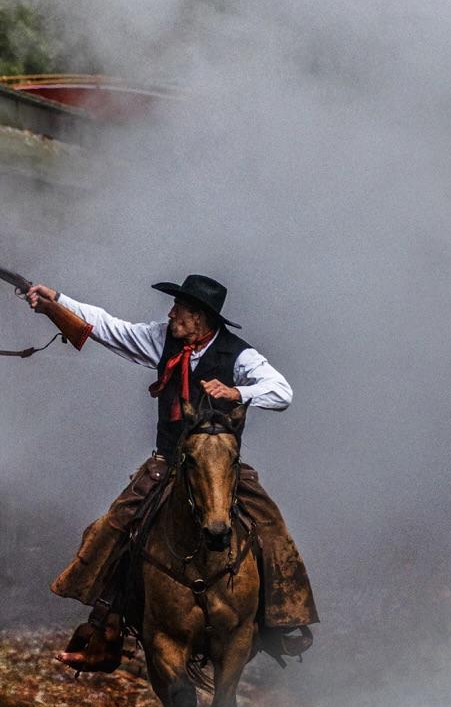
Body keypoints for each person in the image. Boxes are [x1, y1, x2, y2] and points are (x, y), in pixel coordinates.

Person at [21, 270, 318, 670]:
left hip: (220, 463)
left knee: (271, 528)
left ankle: (281, 621)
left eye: (181, 308)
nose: (173, 312)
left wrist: (238, 392)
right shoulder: (164, 338)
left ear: (201, 317)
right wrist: (57, 299)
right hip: (168, 462)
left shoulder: (240, 356)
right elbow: (108, 327)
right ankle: (104, 633)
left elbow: (282, 391)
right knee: (113, 527)